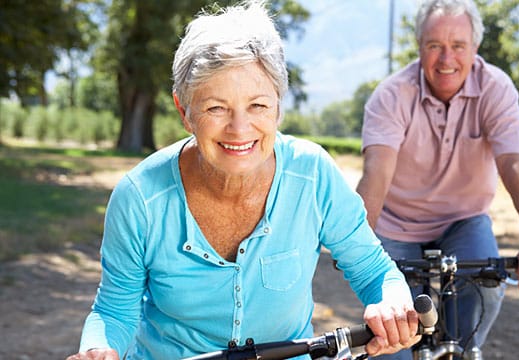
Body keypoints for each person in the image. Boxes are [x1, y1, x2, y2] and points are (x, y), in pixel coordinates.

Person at [66, 1, 422, 359]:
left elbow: (375, 271)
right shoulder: (139, 197)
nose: (239, 130)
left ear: (279, 107)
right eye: (216, 108)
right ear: (184, 112)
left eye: (258, 106)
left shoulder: (313, 174)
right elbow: (114, 310)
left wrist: (391, 301)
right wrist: (99, 348)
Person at [356, 0, 519, 357]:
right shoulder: (391, 95)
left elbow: (514, 164)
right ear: (419, 47)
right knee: (394, 336)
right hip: (395, 225)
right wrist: (356, 246)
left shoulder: (496, 89)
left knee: (486, 289)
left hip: (463, 221)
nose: (446, 59)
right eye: (434, 46)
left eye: (458, 46)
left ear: (475, 48)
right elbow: (377, 173)